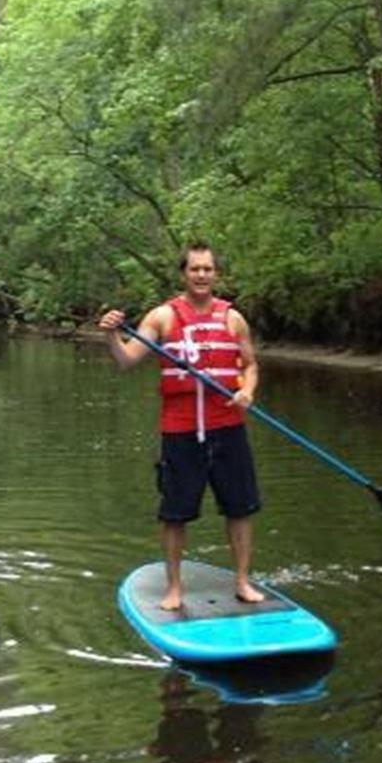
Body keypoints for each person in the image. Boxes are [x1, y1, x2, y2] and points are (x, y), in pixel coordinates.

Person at [98, 244, 265, 614]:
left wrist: (248, 391)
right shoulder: (162, 317)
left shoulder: (233, 319)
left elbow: (249, 365)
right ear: (184, 274)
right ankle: (173, 587)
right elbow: (127, 360)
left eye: (208, 269)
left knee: (240, 508)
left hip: (228, 427)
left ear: (215, 274)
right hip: (180, 431)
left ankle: (242, 581)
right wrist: (110, 334)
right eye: (195, 269)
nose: (201, 275)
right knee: (175, 512)